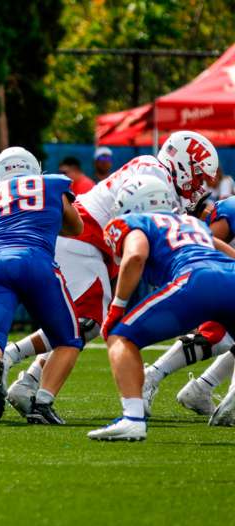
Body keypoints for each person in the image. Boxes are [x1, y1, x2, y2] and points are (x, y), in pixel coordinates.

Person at [3, 131, 218, 417]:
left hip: (92, 245)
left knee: (81, 324)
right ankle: (15, 361)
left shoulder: (159, 178)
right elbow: (131, 220)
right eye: (197, 176)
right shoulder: (154, 174)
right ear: (182, 162)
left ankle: (27, 382)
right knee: (86, 321)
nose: (199, 186)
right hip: (84, 237)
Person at [88, 176, 235, 441]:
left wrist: (117, 307)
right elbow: (224, 251)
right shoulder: (191, 222)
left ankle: (133, 418)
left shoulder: (137, 221)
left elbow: (135, 255)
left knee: (121, 337)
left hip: (195, 280)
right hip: (230, 276)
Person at [0, 147, 83, 423]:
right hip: (37, 262)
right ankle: (43, 401)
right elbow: (75, 227)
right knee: (68, 340)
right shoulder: (53, 184)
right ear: (35, 169)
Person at [141, 193, 235, 416]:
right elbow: (208, 248)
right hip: (203, 276)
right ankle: (154, 375)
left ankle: (202, 388)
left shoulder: (226, 210)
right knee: (218, 336)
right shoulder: (228, 211)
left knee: (222, 337)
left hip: (209, 276)